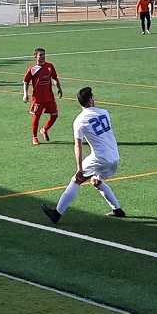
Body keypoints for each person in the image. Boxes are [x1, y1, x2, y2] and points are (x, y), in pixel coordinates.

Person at [42, 87, 124, 223]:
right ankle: (118, 210)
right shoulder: (105, 112)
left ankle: (57, 213)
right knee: (96, 181)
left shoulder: (79, 121)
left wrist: (79, 167)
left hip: (99, 157)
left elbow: (78, 146)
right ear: (91, 100)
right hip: (114, 157)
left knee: (76, 179)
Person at [23, 48, 63, 145]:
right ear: (35, 56)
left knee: (54, 115)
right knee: (37, 117)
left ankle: (44, 129)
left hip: (49, 96)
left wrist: (59, 88)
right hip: (38, 98)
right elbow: (26, 81)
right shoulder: (32, 69)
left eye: (44, 54)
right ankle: (34, 137)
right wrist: (25, 94)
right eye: (40, 55)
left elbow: (54, 78)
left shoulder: (50, 66)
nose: (43, 56)